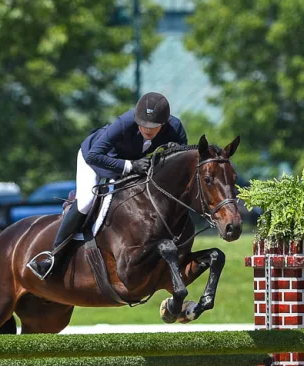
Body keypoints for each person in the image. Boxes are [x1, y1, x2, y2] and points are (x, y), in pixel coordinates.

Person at [27, 92, 188, 279]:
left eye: (153, 126)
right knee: (86, 201)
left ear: (164, 123)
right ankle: (53, 257)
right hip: (96, 158)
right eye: (142, 123)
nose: (147, 129)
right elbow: (94, 155)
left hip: (133, 164)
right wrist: (129, 165)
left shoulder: (175, 129)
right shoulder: (124, 123)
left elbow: (181, 162)